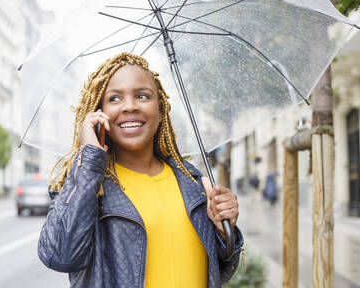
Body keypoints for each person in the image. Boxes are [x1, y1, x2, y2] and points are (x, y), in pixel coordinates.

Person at [38, 53, 243, 288]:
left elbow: (220, 269)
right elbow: (61, 256)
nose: (130, 106)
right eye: (114, 99)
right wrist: (90, 159)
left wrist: (224, 231)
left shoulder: (192, 181)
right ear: (98, 110)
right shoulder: (87, 185)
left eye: (142, 96)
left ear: (160, 108)